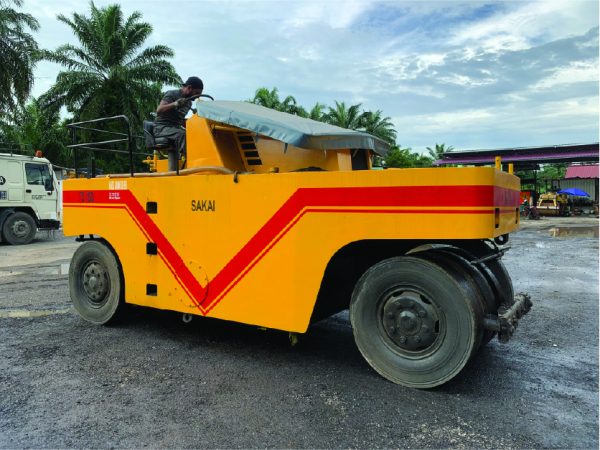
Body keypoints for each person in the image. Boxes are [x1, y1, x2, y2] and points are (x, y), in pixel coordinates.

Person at [154, 76, 203, 170]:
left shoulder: (189, 103)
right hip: (161, 128)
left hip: (175, 128)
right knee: (183, 135)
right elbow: (159, 110)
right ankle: (196, 164)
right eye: (196, 93)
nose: (197, 96)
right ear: (189, 88)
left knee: (195, 135)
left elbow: (181, 120)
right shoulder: (172, 94)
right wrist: (175, 104)